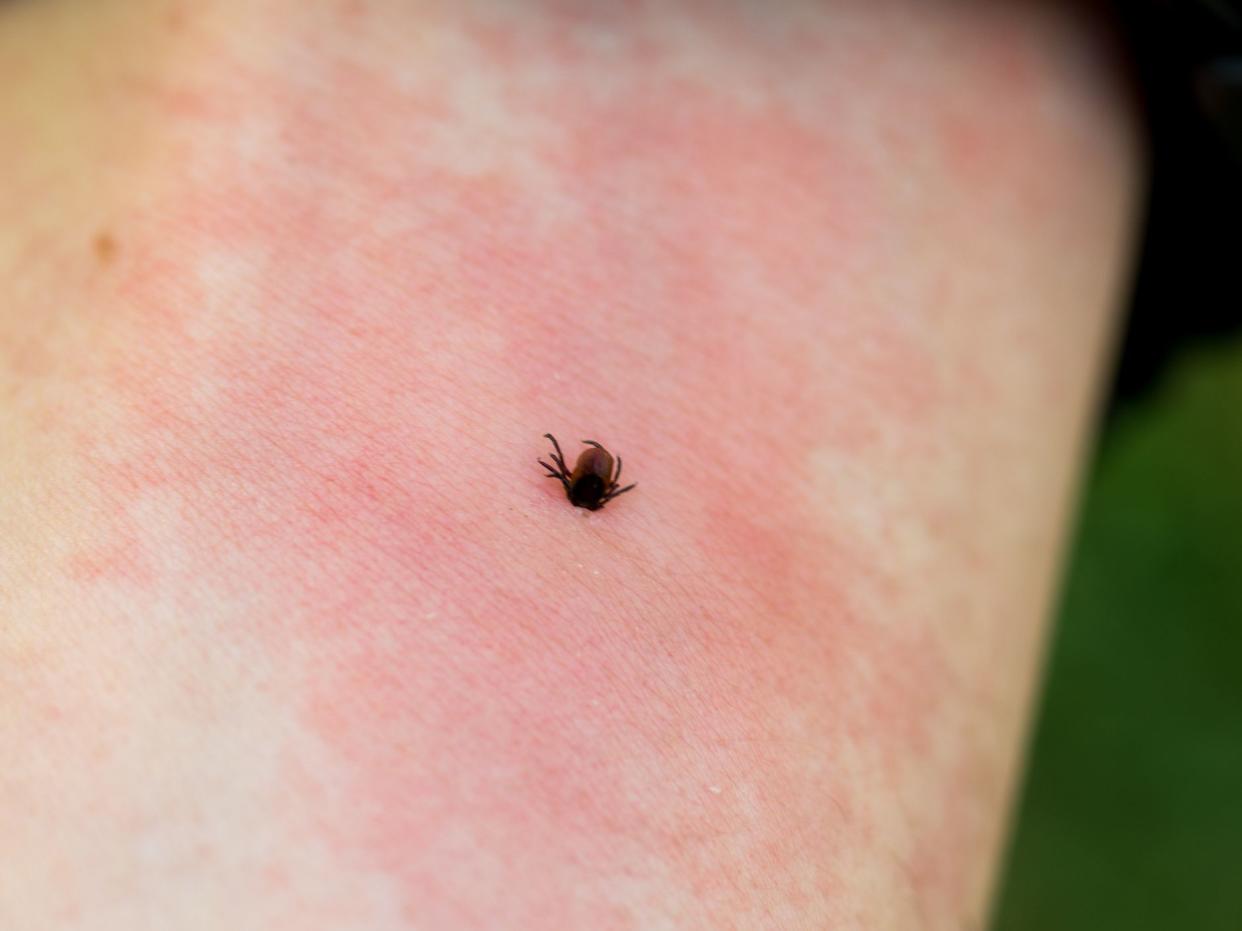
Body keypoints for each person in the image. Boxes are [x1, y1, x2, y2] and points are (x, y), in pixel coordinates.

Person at [0, 0, 1139, 927]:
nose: (587, 488)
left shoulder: (579, 479)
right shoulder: (593, 481)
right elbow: (592, 465)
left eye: (588, 486)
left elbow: (579, 464)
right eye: (587, 484)